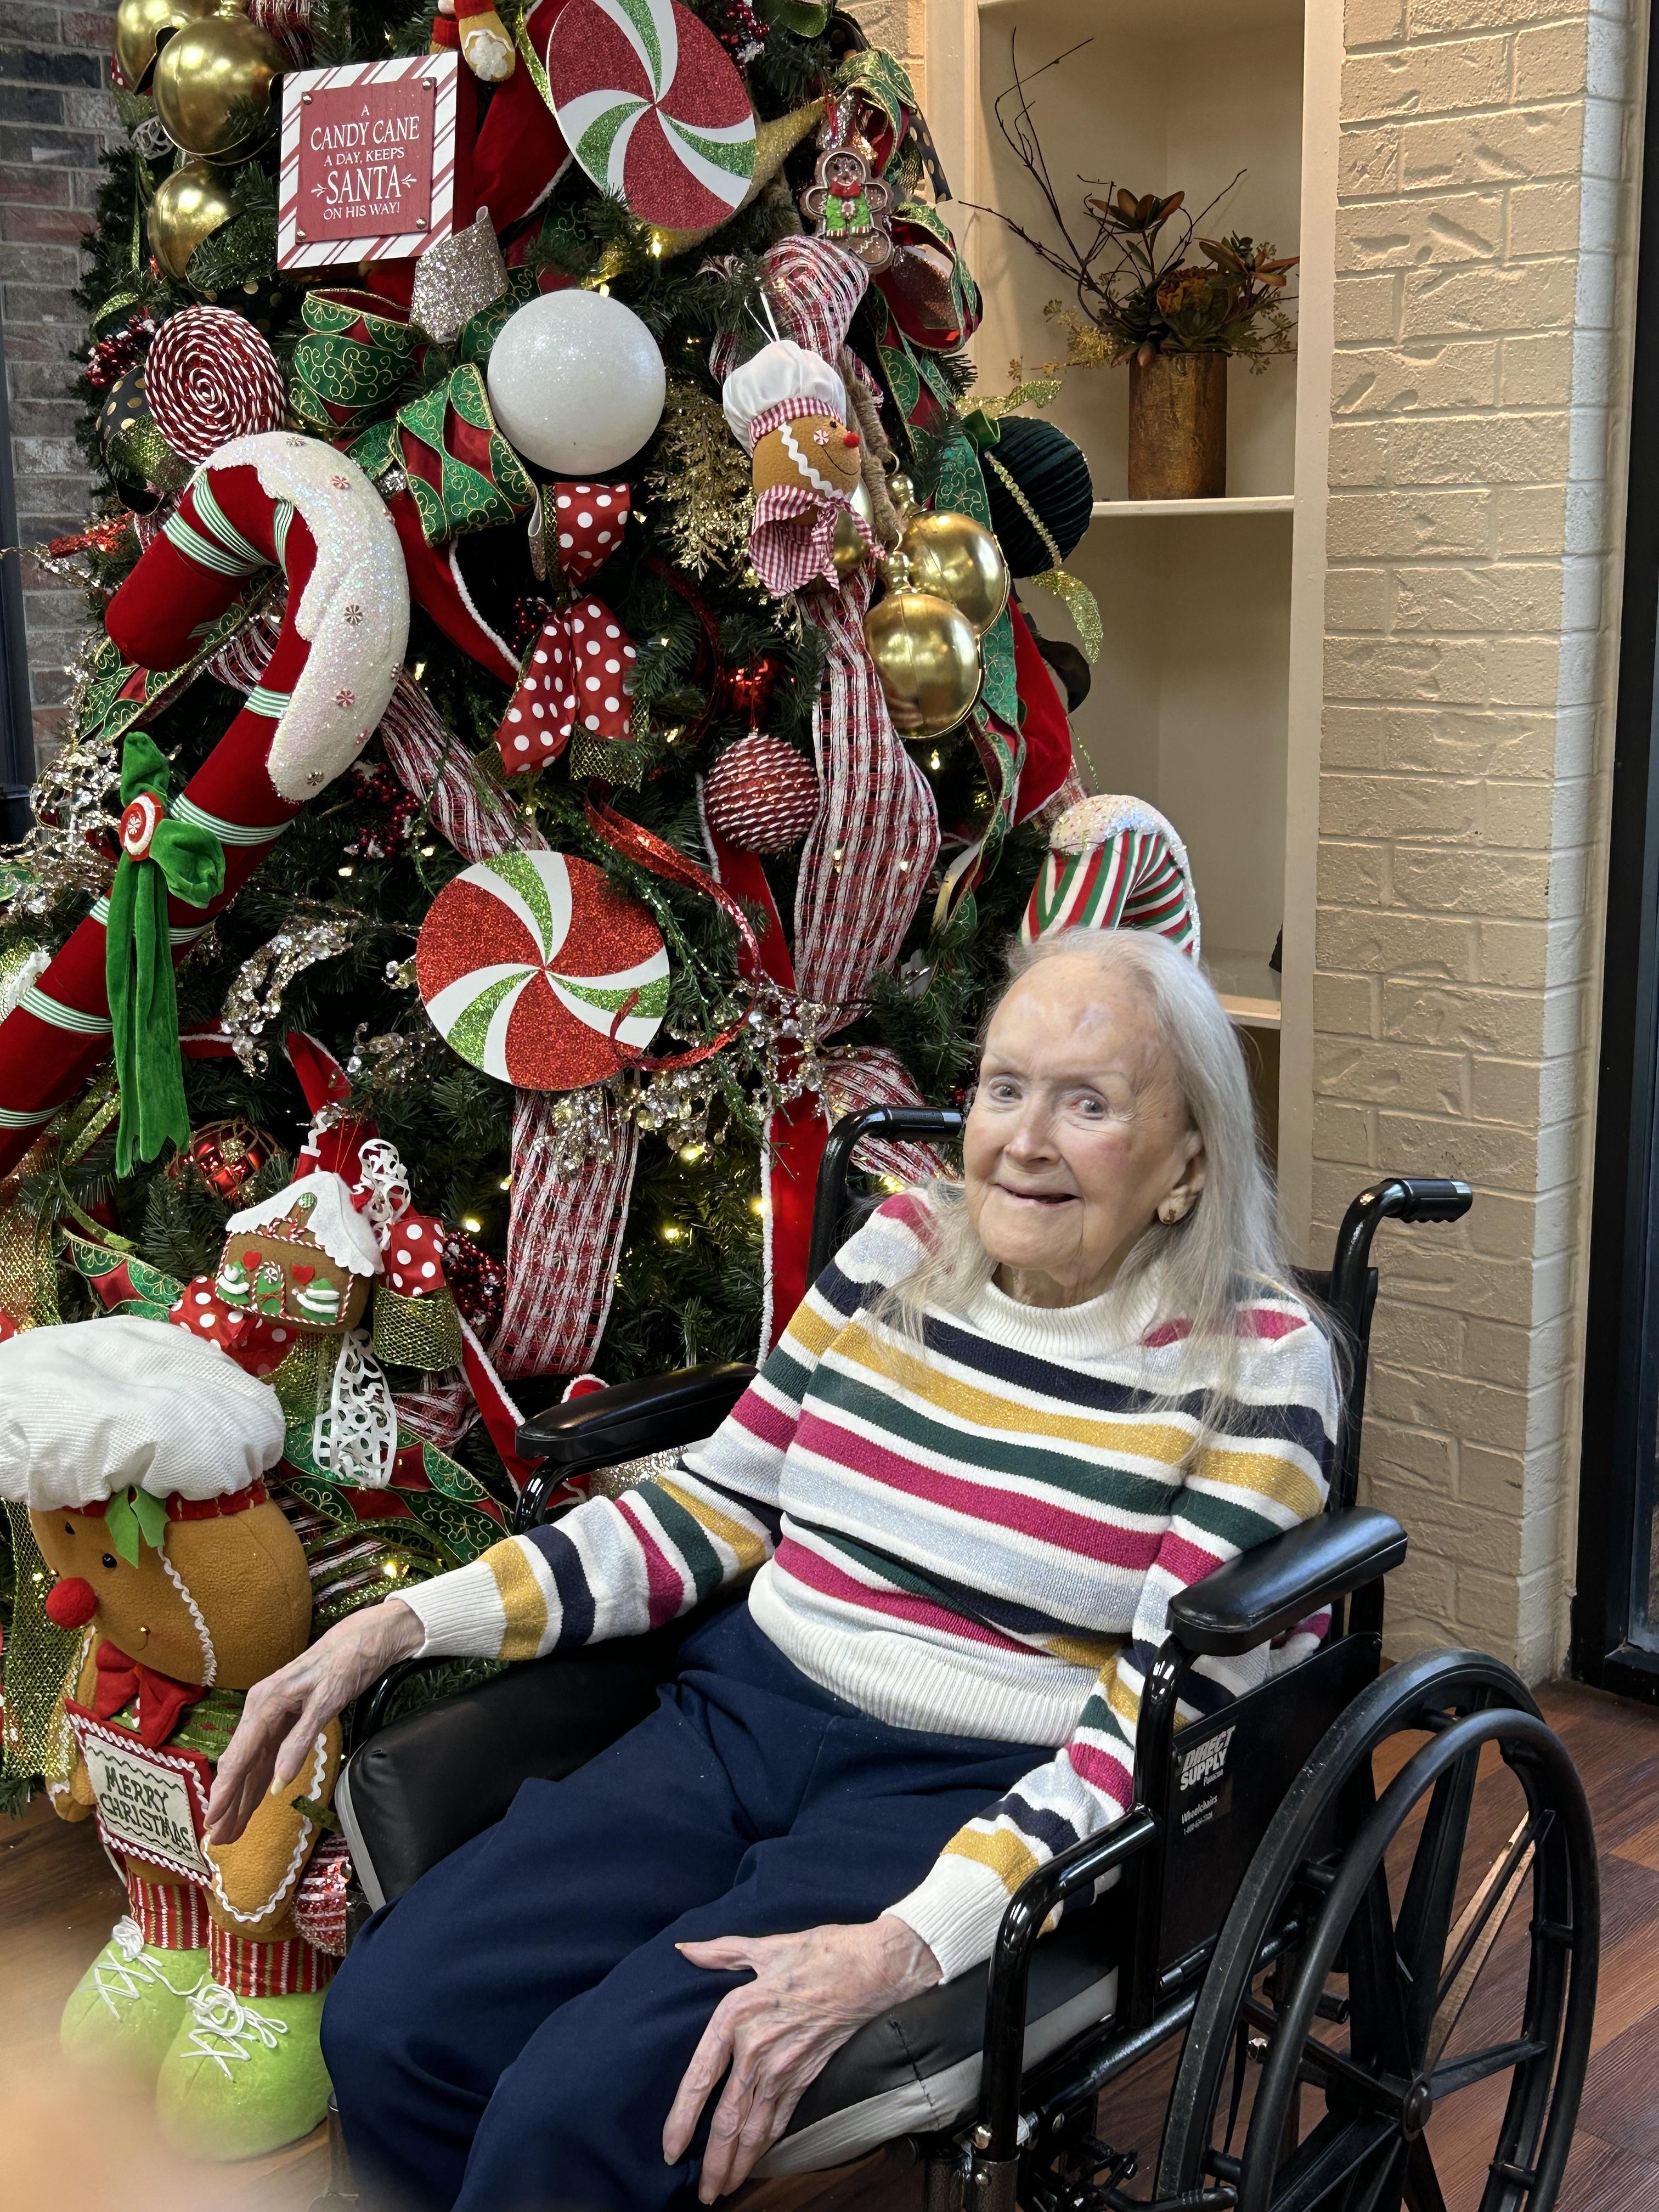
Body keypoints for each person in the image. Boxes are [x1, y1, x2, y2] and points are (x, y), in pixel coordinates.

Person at [206, 928, 1339, 2211]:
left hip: (967, 1787)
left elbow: (1164, 1711)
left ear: (1187, 1160)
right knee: (389, 2024)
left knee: (571, 2117)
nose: (1024, 1139)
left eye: (1089, 1104)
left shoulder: (1257, 1364)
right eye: (1005, 1088)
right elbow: (717, 1510)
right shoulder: (902, 1248)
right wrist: (395, 1627)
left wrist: (911, 1943)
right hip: (742, 1714)